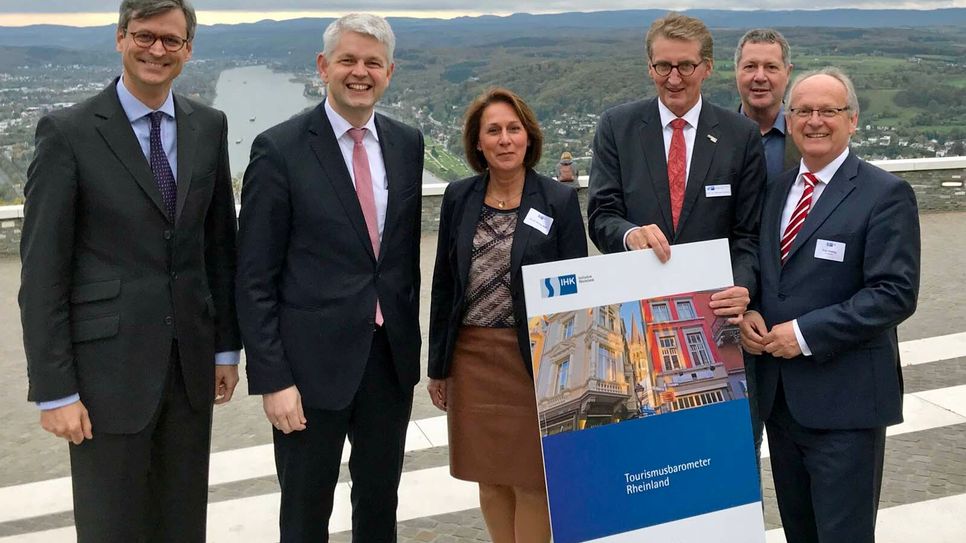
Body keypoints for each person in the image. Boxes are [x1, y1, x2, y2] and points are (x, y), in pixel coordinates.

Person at [18, 1, 241, 540]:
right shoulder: (68, 132)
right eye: (144, 36)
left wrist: (225, 349)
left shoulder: (207, 126)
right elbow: (42, 272)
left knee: (182, 521)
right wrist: (55, 391)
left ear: (188, 49)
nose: (156, 50)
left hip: (189, 369)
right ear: (120, 38)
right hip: (105, 377)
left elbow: (218, 249)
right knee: (111, 525)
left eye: (171, 40)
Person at [235, 13, 424, 542]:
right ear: (323, 66)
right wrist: (272, 379)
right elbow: (254, 277)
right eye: (348, 60)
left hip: (388, 361)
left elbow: (398, 259)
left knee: (380, 503)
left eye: (372, 62)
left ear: (390, 72)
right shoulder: (281, 149)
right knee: (304, 511)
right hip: (309, 371)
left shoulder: (407, 143)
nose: (359, 72)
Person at [740, 67, 920, 543]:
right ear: (789, 118)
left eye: (828, 111)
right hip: (782, 403)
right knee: (800, 533)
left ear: (852, 120)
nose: (814, 121)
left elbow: (894, 294)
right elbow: (768, 275)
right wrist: (752, 310)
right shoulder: (775, 191)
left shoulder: (886, 194)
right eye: (802, 111)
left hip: (847, 404)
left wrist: (802, 335)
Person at [427, 87, 588, 543]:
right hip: (472, 356)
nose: (504, 139)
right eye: (492, 131)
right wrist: (438, 367)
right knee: (490, 476)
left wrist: (566, 368)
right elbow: (445, 284)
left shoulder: (556, 199)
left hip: (535, 359)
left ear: (528, 137)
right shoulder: (459, 197)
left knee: (533, 479)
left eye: (513, 129)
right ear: (477, 143)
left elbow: (573, 287)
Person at [587, 12, 765, 326]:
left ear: (707, 67)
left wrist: (742, 286)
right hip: (637, 306)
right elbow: (602, 215)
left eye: (685, 66)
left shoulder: (741, 135)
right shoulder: (617, 127)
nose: (673, 78)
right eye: (663, 66)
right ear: (649, 66)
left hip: (715, 308)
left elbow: (748, 234)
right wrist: (630, 235)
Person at [735, 28, 800, 184]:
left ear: (788, 73)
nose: (760, 77)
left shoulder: (807, 137)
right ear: (736, 70)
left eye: (771, 67)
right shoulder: (713, 138)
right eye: (750, 66)